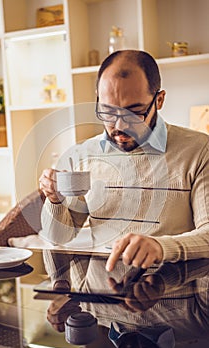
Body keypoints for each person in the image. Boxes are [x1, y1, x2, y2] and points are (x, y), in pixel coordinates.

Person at [39, 49, 209, 272]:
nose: (119, 126)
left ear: (159, 100)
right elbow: (59, 237)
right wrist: (55, 200)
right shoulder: (84, 155)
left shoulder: (199, 150)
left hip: (173, 295)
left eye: (134, 112)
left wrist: (160, 247)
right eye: (108, 112)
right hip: (100, 301)